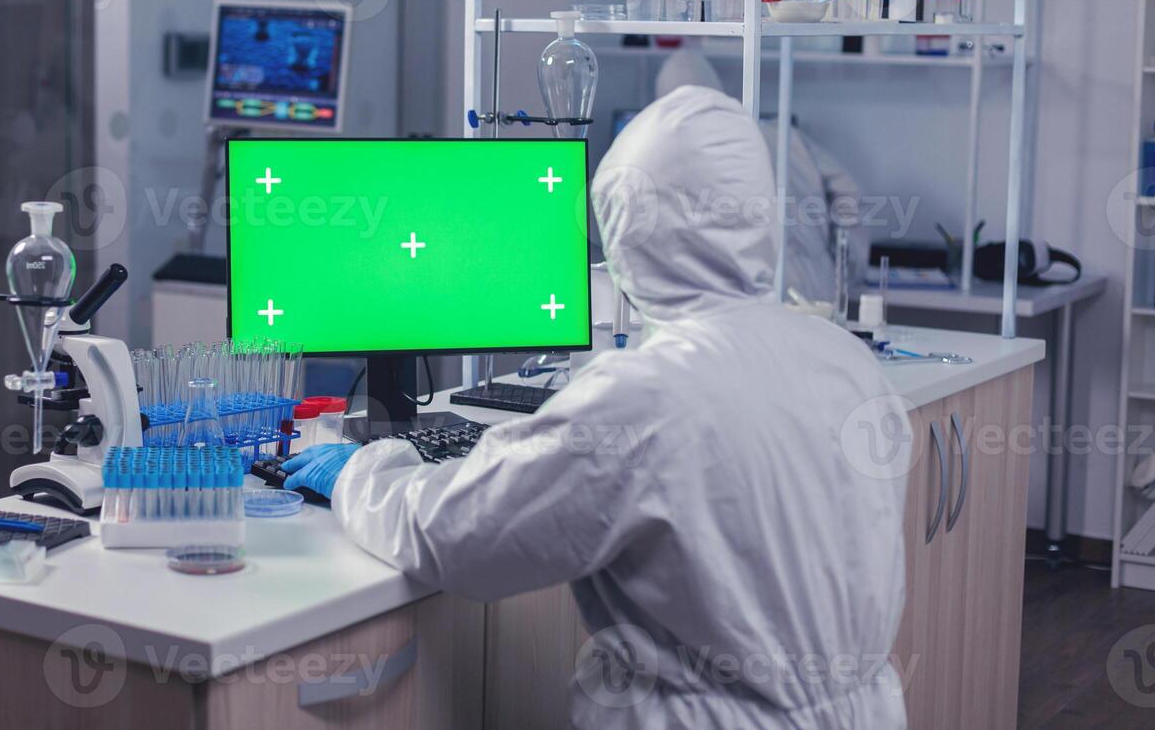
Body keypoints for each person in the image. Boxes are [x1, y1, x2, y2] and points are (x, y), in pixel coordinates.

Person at [283, 86, 909, 728]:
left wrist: (355, 472)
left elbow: (457, 533)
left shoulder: (650, 395)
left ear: (630, 229)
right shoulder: (844, 359)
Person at [653, 43, 864, 304]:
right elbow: (847, 194)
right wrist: (846, 269)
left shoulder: (680, 157)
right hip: (818, 286)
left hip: (757, 292)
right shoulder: (784, 136)